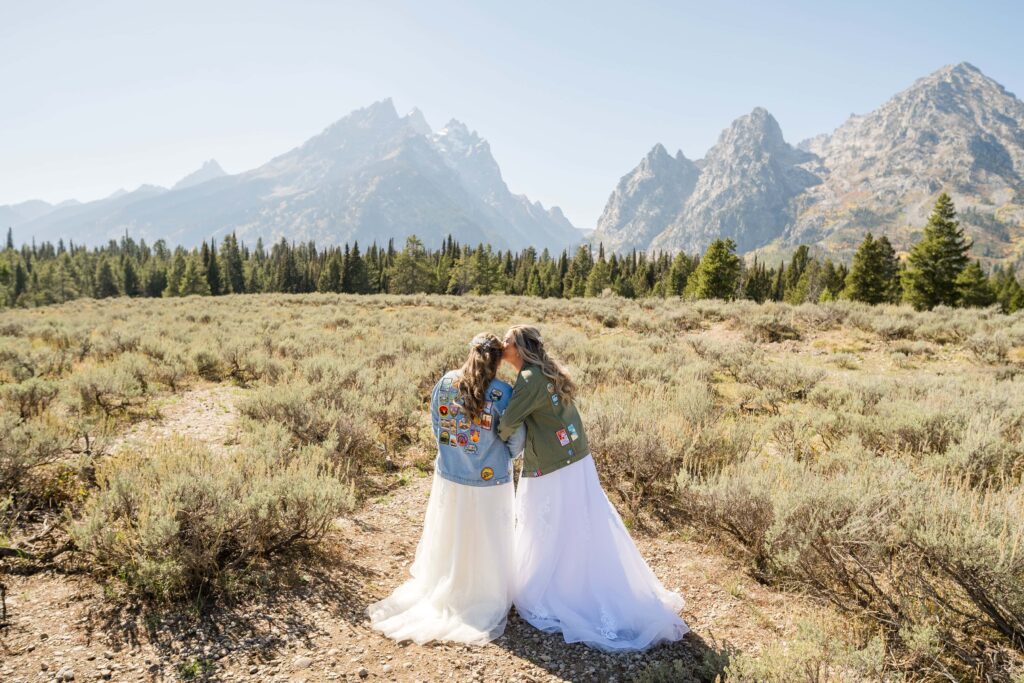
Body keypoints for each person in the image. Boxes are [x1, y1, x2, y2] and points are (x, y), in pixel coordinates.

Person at [497, 324, 689, 651]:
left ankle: (552, 589)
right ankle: (577, 583)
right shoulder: (548, 370)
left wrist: (492, 437)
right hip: (577, 458)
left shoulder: (528, 379)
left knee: (546, 524)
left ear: (520, 349)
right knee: (579, 523)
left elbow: (508, 424)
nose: (502, 346)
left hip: (553, 466)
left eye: (507, 342)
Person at [368, 333, 525, 645]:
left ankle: (449, 585)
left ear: (470, 353)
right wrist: (501, 456)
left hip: (450, 475)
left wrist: (452, 454)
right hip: (490, 479)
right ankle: (485, 591)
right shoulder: (504, 393)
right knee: (488, 536)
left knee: (451, 532)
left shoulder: (446, 383)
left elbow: (436, 426)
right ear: (497, 359)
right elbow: (516, 441)